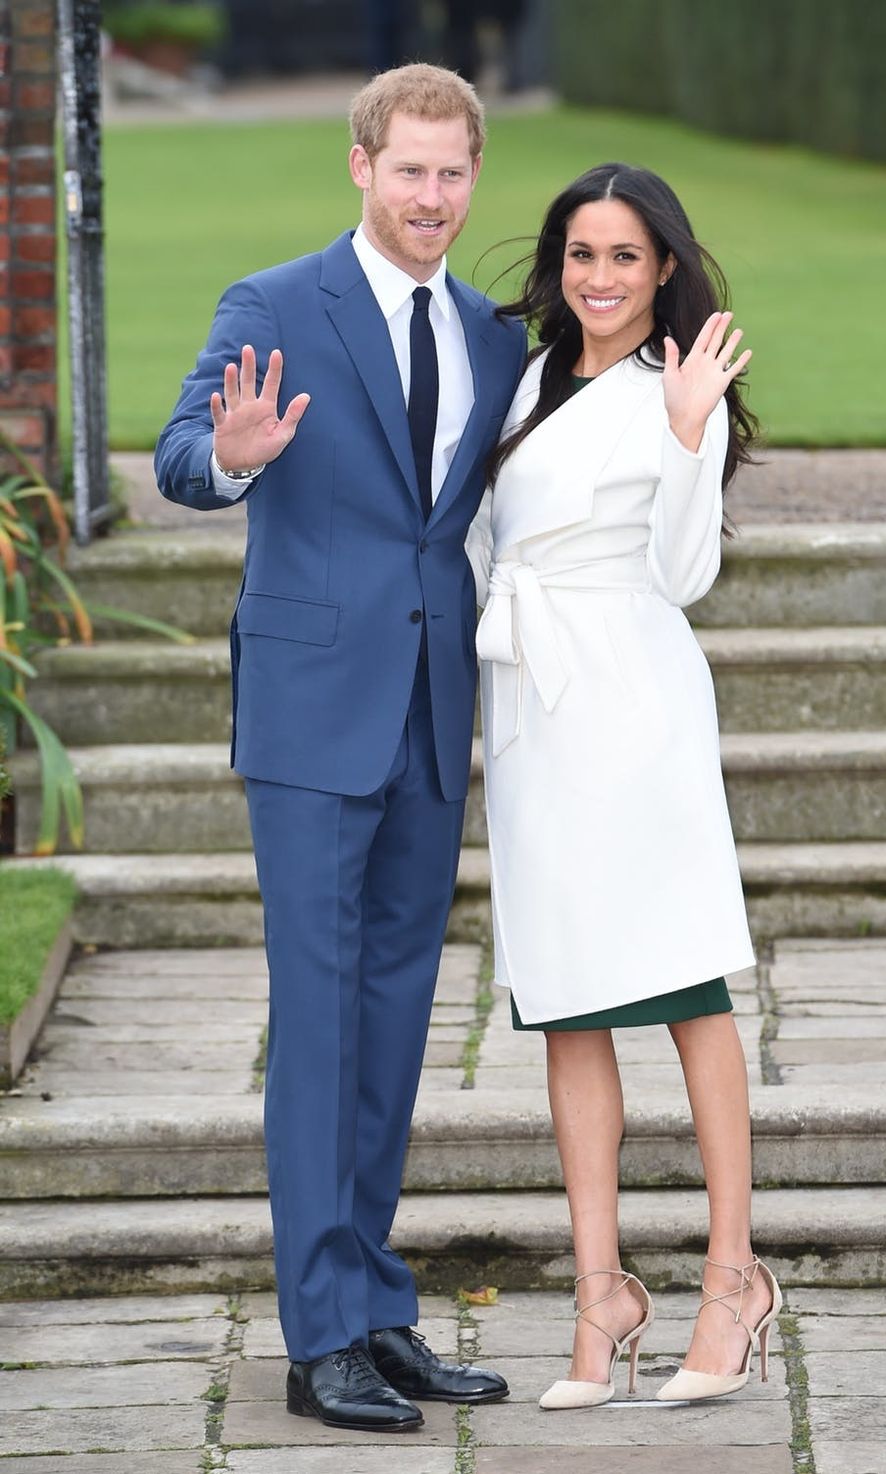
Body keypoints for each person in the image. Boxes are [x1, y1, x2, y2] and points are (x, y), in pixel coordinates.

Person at [155, 63, 526, 1433]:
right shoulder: (274, 305)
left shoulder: (489, 333)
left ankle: (372, 1303)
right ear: (361, 165)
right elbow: (179, 455)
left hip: (428, 709)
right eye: (408, 168)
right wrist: (235, 456)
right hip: (313, 712)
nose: (431, 196)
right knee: (318, 1020)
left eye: (452, 172)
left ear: (472, 177)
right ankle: (319, 1340)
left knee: (393, 1015)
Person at [468, 163, 782, 1410]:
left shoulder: (671, 384)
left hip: (630, 699)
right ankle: (599, 1294)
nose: (599, 277)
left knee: (685, 985)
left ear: (662, 270)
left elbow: (683, 573)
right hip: (529, 707)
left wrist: (689, 435)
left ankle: (730, 1276)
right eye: (581, 253)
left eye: (624, 256)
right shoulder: (530, 376)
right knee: (566, 1000)